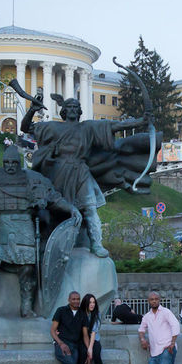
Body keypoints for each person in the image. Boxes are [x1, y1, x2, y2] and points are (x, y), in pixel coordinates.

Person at [24, 93, 149, 258]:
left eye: (76, 107)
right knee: (56, 209)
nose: (73, 110)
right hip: (59, 172)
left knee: (90, 208)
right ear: (63, 111)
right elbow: (26, 128)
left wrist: (141, 121)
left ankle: (96, 243)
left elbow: (115, 125)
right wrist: (32, 110)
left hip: (81, 171)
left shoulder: (88, 127)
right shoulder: (53, 127)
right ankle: (52, 244)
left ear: (80, 111)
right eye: (70, 107)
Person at [0, 145, 80, 316]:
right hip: (1, 226)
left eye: (14, 162)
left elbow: (53, 198)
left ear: (19, 163)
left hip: (25, 226)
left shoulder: (33, 180)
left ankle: (26, 308)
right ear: (3, 163)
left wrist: (71, 208)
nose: (10, 166)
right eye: (7, 162)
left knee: (28, 269)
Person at [138, 291, 180, 364]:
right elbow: (141, 329)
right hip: (154, 352)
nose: (154, 301)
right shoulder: (147, 316)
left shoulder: (166, 312)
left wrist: (172, 343)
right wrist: (142, 339)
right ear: (149, 301)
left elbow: (175, 325)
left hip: (167, 349)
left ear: (159, 300)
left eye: (156, 299)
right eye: (152, 299)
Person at [50, 291, 89, 364]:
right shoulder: (61, 311)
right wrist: (61, 343)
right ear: (69, 300)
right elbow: (52, 330)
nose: (76, 301)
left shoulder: (83, 314)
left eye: (78, 299)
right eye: (74, 299)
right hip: (61, 345)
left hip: (74, 346)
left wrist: (89, 351)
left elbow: (85, 335)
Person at [79, 293, 106, 364]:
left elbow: (93, 332)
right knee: (81, 354)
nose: (92, 304)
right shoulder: (81, 314)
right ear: (85, 303)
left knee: (97, 355)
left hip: (95, 340)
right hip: (82, 340)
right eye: (90, 302)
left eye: (94, 302)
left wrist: (90, 349)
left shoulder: (97, 314)